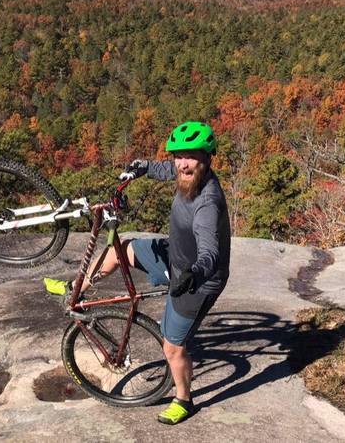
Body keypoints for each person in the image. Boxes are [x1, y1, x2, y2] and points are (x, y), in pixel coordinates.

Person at [46, 121, 231, 425]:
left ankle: (184, 400)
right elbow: (166, 169)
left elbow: (210, 253)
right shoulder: (189, 173)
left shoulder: (207, 203)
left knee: (173, 346)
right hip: (175, 255)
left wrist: (193, 275)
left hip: (197, 280)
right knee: (122, 250)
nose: (183, 164)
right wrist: (141, 168)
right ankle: (74, 288)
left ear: (208, 158)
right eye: (179, 156)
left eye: (191, 156)